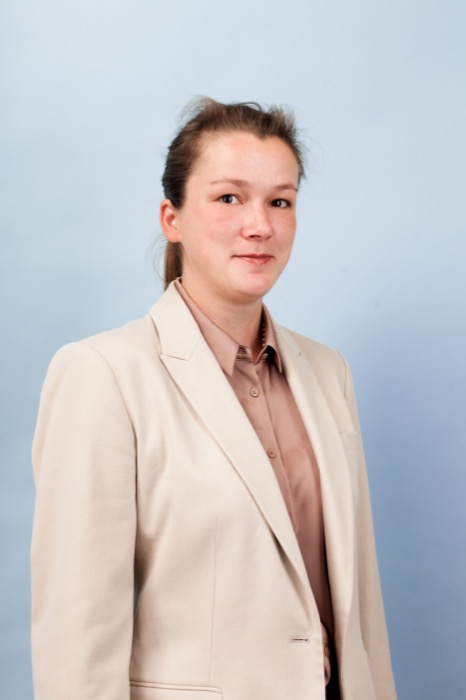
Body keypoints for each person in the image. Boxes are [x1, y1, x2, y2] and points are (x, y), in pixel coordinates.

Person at [31, 98, 396, 700]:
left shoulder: (328, 372)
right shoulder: (103, 374)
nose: (260, 225)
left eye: (280, 201)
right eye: (229, 198)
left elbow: (361, 607)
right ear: (171, 218)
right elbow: (77, 633)